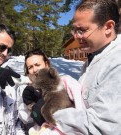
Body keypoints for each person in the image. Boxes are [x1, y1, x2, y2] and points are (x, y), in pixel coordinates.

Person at [51, 0, 121, 134]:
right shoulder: (94, 57)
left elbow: (105, 126)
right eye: (74, 30)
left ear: (108, 27)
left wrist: (52, 113)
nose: (76, 36)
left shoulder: (117, 63)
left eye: (82, 30)